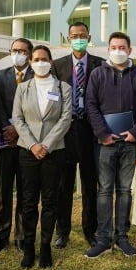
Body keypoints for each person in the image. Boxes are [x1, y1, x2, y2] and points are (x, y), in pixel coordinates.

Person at [84, 32, 136, 258]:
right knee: (104, 191)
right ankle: (103, 238)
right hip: (105, 143)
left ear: (130, 50)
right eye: (114, 47)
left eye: (122, 47)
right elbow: (90, 104)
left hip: (130, 142)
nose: (118, 50)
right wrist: (102, 133)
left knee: (124, 190)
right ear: (108, 50)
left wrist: (135, 131)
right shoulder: (97, 74)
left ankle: (122, 237)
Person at [12, 45, 72, 268]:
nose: (40, 62)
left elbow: (65, 119)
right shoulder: (23, 88)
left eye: (44, 59)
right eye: (36, 59)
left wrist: (46, 145)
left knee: (50, 201)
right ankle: (28, 247)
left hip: (54, 151)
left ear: (51, 61)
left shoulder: (62, 87)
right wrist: (33, 145)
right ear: (30, 61)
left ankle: (45, 246)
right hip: (28, 151)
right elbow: (17, 119)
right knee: (28, 201)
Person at [52, 22, 104, 249]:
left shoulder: (100, 65)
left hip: (90, 131)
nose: (78, 39)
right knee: (63, 185)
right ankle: (62, 231)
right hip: (65, 130)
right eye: (74, 36)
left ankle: (90, 230)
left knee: (90, 184)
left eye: (82, 35)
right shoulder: (57, 66)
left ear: (89, 37)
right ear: (68, 39)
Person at [0, 37, 34, 254]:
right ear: (10, 52)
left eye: (23, 51)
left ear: (30, 54)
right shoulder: (0, 76)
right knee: (3, 190)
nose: (18, 54)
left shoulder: (39, 76)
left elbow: (39, 108)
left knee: (26, 190)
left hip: (27, 141)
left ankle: (22, 237)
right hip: (6, 141)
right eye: (15, 50)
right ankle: (1, 235)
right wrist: (6, 128)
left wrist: (19, 128)